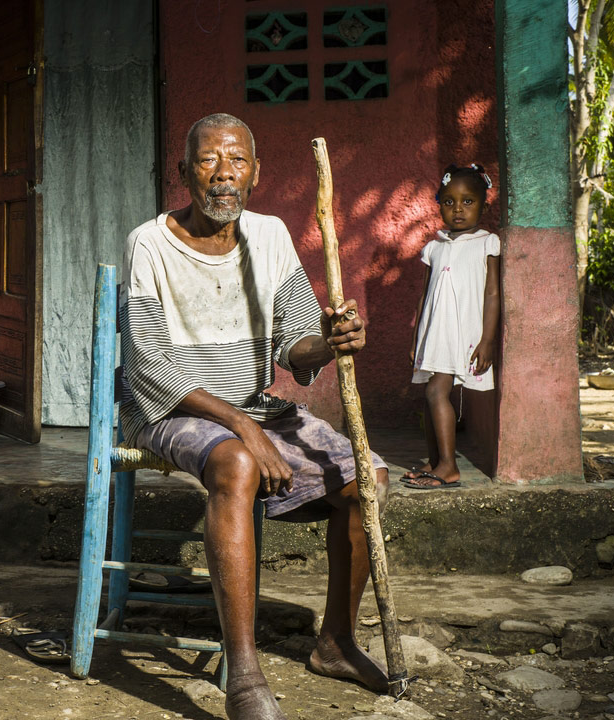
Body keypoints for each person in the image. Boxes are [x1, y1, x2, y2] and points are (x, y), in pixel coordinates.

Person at [120, 113, 390, 719]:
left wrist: (331, 339)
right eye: (209, 161)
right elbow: (149, 365)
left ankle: (337, 642)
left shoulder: (270, 238)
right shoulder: (148, 243)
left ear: (257, 173)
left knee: (367, 478)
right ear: (184, 171)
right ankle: (243, 670)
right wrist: (241, 426)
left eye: (237, 161)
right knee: (238, 462)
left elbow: (295, 344)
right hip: (170, 410)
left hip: (256, 410)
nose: (223, 175)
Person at [401, 164, 501, 489]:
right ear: (439, 203)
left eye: (468, 201)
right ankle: (435, 461)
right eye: (449, 201)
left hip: (464, 333)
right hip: (436, 333)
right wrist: (418, 335)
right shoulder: (435, 247)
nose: (458, 209)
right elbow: (424, 296)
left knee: (435, 392)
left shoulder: (488, 243)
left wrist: (487, 340)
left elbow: (492, 293)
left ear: (484, 205)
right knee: (429, 395)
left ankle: (449, 466)